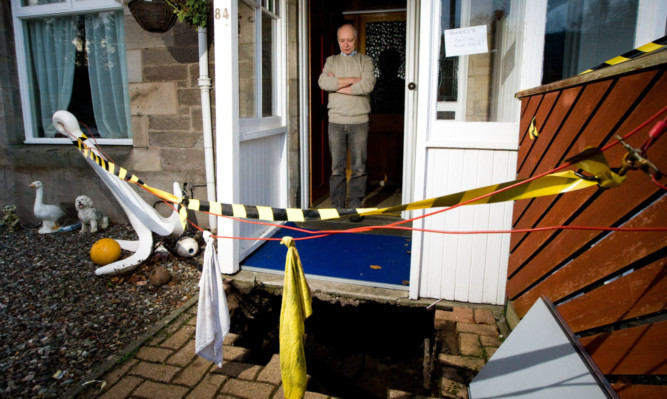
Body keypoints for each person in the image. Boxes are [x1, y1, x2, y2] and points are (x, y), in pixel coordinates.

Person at [318, 23, 376, 222]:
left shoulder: (366, 61)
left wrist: (338, 85)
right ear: (337, 41)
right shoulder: (331, 61)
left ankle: (355, 207)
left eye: (349, 40)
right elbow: (323, 83)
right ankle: (337, 207)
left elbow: (367, 85)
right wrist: (353, 79)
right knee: (337, 167)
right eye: (342, 40)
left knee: (359, 167)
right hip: (336, 121)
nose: (346, 44)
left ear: (356, 39)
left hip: (360, 121)